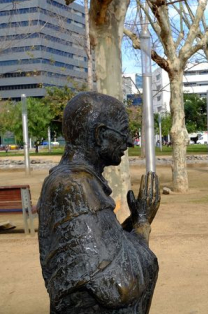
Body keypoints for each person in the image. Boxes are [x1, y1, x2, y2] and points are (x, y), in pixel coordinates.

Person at [37, 92, 160, 313]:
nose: (129, 142)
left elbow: (104, 248)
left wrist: (133, 222)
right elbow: (119, 285)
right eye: (122, 134)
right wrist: (142, 224)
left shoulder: (80, 181)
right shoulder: (74, 186)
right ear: (100, 135)